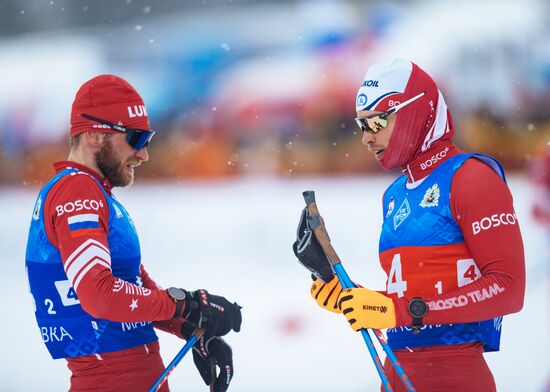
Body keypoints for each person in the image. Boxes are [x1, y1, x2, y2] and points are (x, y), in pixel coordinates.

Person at [297, 59, 525, 391]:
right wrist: (357, 299)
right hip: (396, 372)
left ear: (415, 112)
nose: (365, 138)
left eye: (375, 123)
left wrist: (401, 311)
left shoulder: (472, 178)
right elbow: (410, 302)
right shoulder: (394, 194)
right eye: (361, 125)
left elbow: (508, 288)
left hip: (456, 374)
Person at [25, 75, 242, 392]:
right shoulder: (77, 192)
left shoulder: (91, 193)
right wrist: (181, 305)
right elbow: (100, 296)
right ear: (96, 135)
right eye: (137, 139)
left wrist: (190, 324)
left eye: (148, 140)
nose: (144, 154)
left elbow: (131, 289)